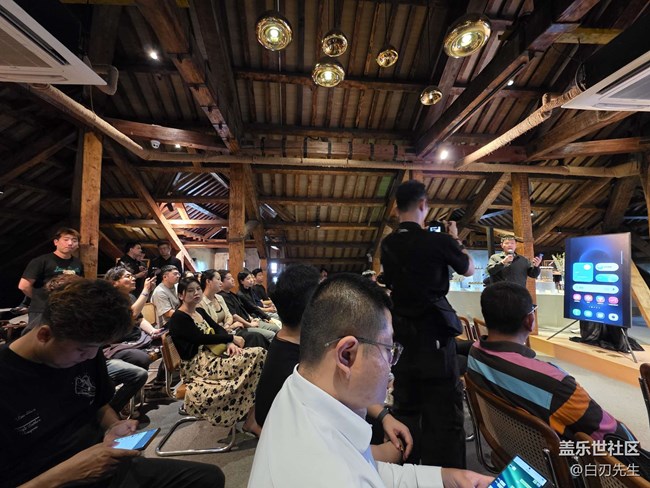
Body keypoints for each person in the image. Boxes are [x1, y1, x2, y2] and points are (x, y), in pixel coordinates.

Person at [248, 274, 492, 488]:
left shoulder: (297, 385)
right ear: (347, 355)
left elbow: (365, 467)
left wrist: (444, 478)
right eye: (388, 349)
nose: (391, 363)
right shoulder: (331, 477)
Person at [0, 279, 224, 488]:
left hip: (104, 465)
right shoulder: (8, 379)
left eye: (96, 348)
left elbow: (100, 404)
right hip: (54, 481)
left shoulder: (87, 352)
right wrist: (67, 474)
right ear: (44, 335)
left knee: (209, 478)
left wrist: (114, 425)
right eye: (82, 350)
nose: (89, 357)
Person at [254, 265, 408, 462]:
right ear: (313, 311)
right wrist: (398, 449)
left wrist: (384, 415)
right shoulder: (299, 370)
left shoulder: (289, 345)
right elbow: (345, 455)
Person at [469, 281, 640, 443]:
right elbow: (616, 437)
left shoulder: (475, 352)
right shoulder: (555, 383)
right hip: (561, 461)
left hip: (508, 447)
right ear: (529, 321)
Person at [380, 179, 474, 468]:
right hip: (435, 335)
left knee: (406, 406)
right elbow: (469, 269)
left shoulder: (388, 244)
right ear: (423, 205)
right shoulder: (438, 241)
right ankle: (448, 476)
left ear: (396, 208)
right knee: (444, 412)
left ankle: (408, 471)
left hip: (402, 336)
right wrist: (455, 239)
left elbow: (390, 281)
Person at [168, 277, 267, 436]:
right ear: (181, 295)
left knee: (259, 354)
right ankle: (250, 419)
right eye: (190, 291)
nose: (196, 293)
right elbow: (200, 338)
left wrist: (229, 343)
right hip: (198, 365)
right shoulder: (179, 318)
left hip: (214, 356)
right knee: (259, 355)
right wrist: (231, 338)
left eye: (198, 289)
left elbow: (217, 328)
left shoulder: (199, 311)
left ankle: (251, 417)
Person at [18, 227, 84, 334]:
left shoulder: (78, 263)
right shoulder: (41, 261)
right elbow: (24, 286)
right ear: (56, 242)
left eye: (74, 240)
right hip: (42, 310)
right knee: (38, 338)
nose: (70, 243)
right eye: (66, 239)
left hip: (67, 309)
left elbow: (80, 285)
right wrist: (39, 298)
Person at [197, 269, 267, 349]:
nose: (221, 282)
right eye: (218, 279)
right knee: (256, 337)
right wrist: (231, 326)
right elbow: (211, 327)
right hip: (219, 339)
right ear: (208, 281)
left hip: (230, 331)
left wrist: (227, 325)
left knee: (258, 337)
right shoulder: (201, 303)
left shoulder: (219, 297)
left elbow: (229, 315)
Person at [218, 270, 278, 342]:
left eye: (232, 277)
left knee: (276, 327)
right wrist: (250, 324)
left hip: (250, 320)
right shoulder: (224, 296)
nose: (232, 279)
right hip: (243, 327)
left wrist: (251, 318)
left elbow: (244, 309)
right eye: (229, 278)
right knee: (272, 334)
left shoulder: (233, 294)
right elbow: (234, 315)